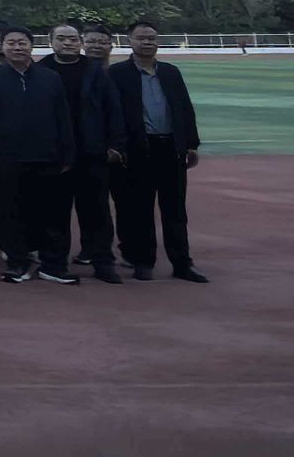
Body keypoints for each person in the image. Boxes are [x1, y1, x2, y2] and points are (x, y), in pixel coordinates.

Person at [0, 26, 77, 284]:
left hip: (47, 156)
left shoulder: (50, 77)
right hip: (8, 158)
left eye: (22, 42)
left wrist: (67, 153)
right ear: (1, 47)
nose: (17, 47)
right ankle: (17, 262)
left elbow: (62, 117)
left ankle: (53, 265)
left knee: (52, 214)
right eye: (11, 43)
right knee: (11, 213)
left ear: (31, 46)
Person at [108, 20, 207, 283]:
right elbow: (112, 113)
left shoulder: (171, 72)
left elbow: (184, 108)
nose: (147, 42)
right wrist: (117, 145)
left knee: (175, 210)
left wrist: (191, 144)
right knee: (140, 209)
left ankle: (182, 263)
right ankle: (143, 261)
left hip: (170, 148)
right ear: (129, 41)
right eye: (141, 38)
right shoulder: (117, 73)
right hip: (138, 149)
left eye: (151, 38)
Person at [40, 21, 128, 284]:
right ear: (51, 41)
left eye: (72, 38)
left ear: (80, 42)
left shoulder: (95, 71)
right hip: (55, 155)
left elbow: (113, 108)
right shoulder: (40, 70)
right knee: (54, 213)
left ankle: (103, 262)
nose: (68, 43)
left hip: (92, 152)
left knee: (97, 212)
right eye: (62, 38)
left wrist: (116, 145)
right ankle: (54, 263)